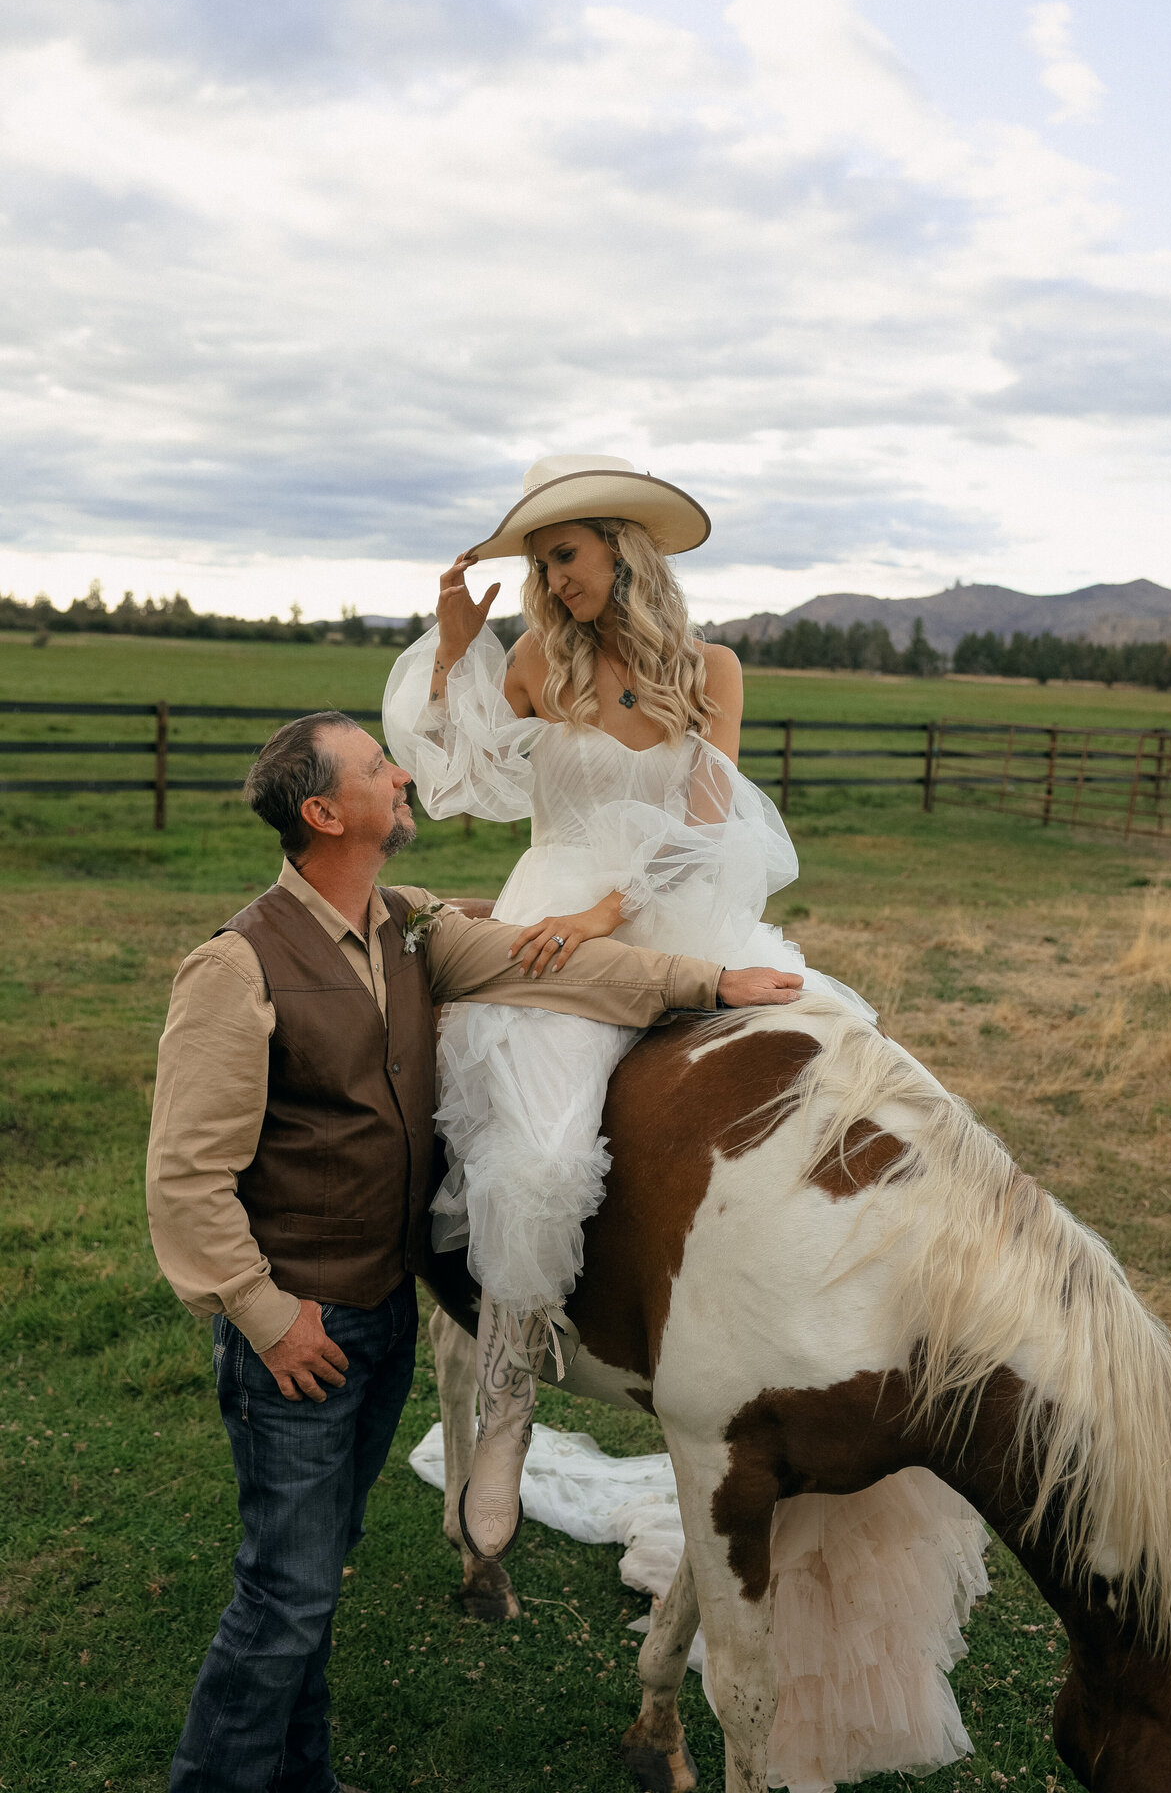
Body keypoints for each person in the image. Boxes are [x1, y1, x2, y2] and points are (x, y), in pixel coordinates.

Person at [383, 454, 989, 1788]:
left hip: (679, 918)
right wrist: (451, 655)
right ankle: (506, 1405)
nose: (551, 579)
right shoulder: (536, 665)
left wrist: (624, 910)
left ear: (624, 554)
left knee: (835, 1068)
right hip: (548, 935)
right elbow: (466, 778)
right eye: (539, 562)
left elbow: (718, 827)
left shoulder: (708, 672)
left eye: (568, 556)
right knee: (539, 1152)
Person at [145, 707, 803, 1793]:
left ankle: (297, 1780)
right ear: (324, 812)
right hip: (298, 1332)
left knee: (312, 1579)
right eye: (375, 767)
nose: (402, 774)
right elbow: (185, 1178)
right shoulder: (236, 966)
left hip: (380, 1318)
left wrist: (710, 985)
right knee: (283, 1596)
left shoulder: (409, 927)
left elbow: (554, 973)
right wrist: (267, 1317)